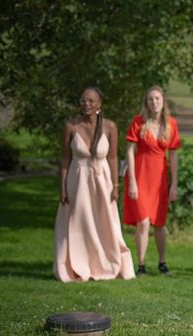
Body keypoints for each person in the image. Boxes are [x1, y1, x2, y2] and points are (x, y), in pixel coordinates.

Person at [54, 87, 134, 282]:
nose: (86, 104)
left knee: (105, 222)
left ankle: (105, 263)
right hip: (77, 179)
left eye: (90, 101)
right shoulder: (71, 126)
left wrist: (115, 186)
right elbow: (65, 159)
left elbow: (113, 158)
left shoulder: (109, 127)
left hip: (102, 180)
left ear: (99, 104)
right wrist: (63, 187)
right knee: (78, 222)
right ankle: (76, 265)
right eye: (83, 101)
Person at [123, 86, 181, 275]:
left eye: (157, 98)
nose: (154, 102)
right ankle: (141, 265)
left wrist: (174, 183)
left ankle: (162, 263)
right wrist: (131, 180)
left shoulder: (171, 124)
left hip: (160, 178)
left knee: (159, 223)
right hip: (140, 175)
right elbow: (130, 151)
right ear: (146, 103)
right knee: (143, 222)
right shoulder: (138, 122)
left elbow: (173, 156)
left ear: (163, 101)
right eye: (150, 99)